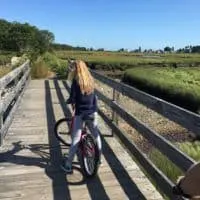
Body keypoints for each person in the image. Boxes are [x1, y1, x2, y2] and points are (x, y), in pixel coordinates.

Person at [61, 60, 102, 173]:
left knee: (76, 138)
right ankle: (99, 158)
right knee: (96, 135)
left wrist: (69, 101)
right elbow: (94, 97)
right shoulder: (91, 80)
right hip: (92, 112)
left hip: (81, 113)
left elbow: (73, 97)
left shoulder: (76, 81)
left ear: (77, 69)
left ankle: (68, 164)